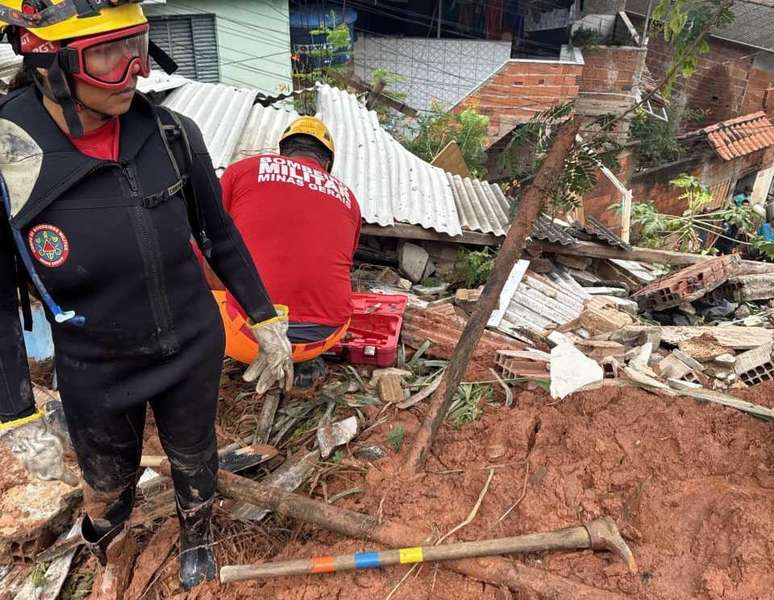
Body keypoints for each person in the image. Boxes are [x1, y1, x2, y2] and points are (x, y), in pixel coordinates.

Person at [0, 1, 293, 596]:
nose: (135, 70)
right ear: (49, 64)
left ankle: (198, 537)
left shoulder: (169, 133)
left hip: (190, 342)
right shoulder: (9, 159)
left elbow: (218, 233)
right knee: (107, 481)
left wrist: (264, 316)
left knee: (194, 455)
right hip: (95, 364)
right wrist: (15, 413)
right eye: (108, 55)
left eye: (137, 45)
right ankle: (111, 544)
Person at [204, 116, 361, 388]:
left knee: (203, 253)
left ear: (283, 152)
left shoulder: (243, 170)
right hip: (323, 338)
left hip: (245, 337)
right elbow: (347, 258)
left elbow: (204, 233)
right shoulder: (349, 198)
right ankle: (305, 361)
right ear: (327, 164)